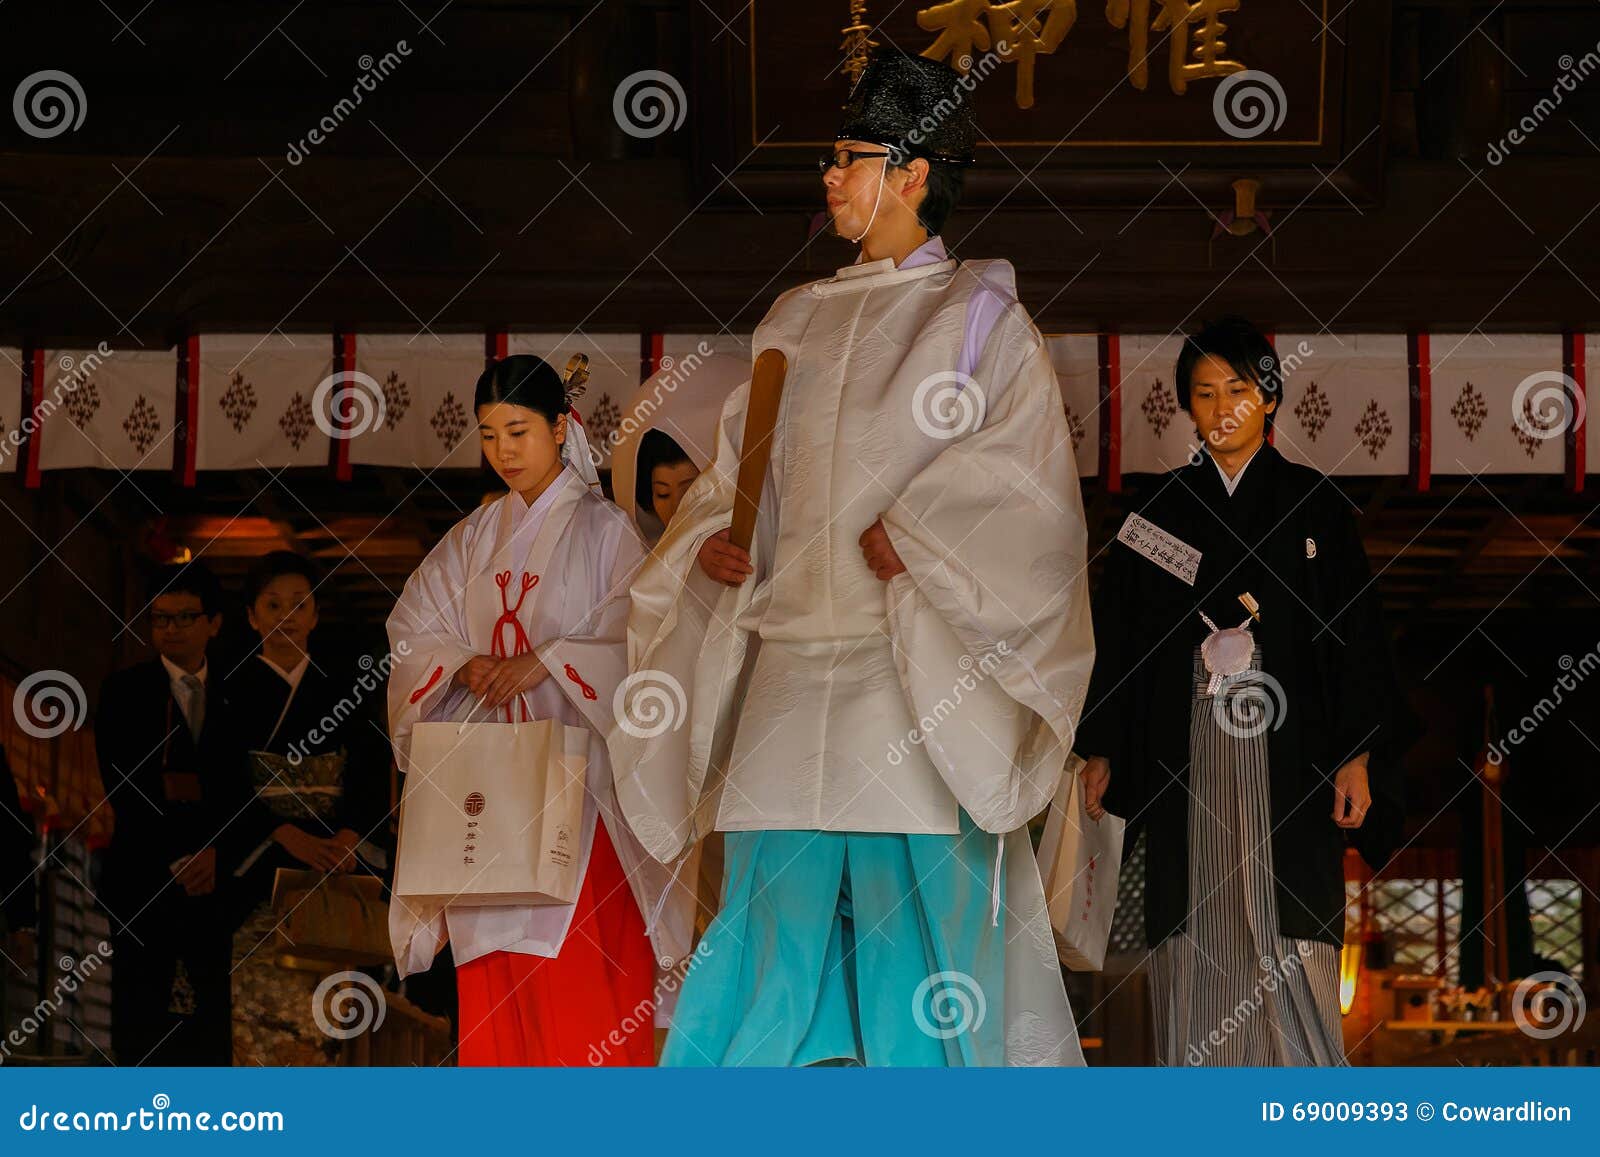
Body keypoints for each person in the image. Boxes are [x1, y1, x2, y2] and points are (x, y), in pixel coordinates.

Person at [610, 48, 1093, 1067]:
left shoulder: (980, 317)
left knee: (921, 947)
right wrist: (711, 545)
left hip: (907, 673)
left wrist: (921, 531)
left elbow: (1028, 493)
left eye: (848, 157)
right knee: (763, 925)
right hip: (790, 664)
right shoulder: (794, 316)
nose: (827, 177)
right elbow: (740, 480)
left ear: (913, 173)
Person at [1075, 316, 1407, 1066]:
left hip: (1290, 761)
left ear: (1268, 397)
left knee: (1291, 937)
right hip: (1186, 752)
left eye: (1239, 387)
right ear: (1185, 408)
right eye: (1203, 391)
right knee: (1198, 947)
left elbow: (1357, 639)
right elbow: (1121, 635)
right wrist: (1104, 746)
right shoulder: (1152, 515)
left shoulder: (1316, 507)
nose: (1222, 405)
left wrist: (1358, 755)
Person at [386, 354, 694, 1066]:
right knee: (495, 1004)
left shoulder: (608, 531)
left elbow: (646, 639)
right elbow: (410, 630)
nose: (504, 452)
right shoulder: (470, 540)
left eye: (519, 431)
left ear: (562, 427)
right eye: (490, 435)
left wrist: (550, 660)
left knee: (582, 998)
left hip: (581, 794)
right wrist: (461, 661)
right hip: (487, 797)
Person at [226, 551, 391, 1066]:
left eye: (299, 604)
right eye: (272, 605)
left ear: (315, 615)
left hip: (332, 870)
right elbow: (222, 781)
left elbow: (368, 769)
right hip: (259, 872)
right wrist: (275, 828)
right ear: (252, 616)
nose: (286, 616)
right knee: (251, 1019)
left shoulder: (344, 688)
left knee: (328, 1024)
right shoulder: (227, 690)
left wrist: (350, 835)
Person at [94, 562, 246, 1065]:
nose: (171, 630)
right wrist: (178, 858)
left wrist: (217, 852)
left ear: (214, 623)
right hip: (144, 875)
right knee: (142, 1020)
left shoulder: (240, 691)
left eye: (185, 617)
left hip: (221, 881)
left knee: (211, 1024)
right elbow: (125, 788)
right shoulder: (123, 691)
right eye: (160, 619)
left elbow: (252, 791)